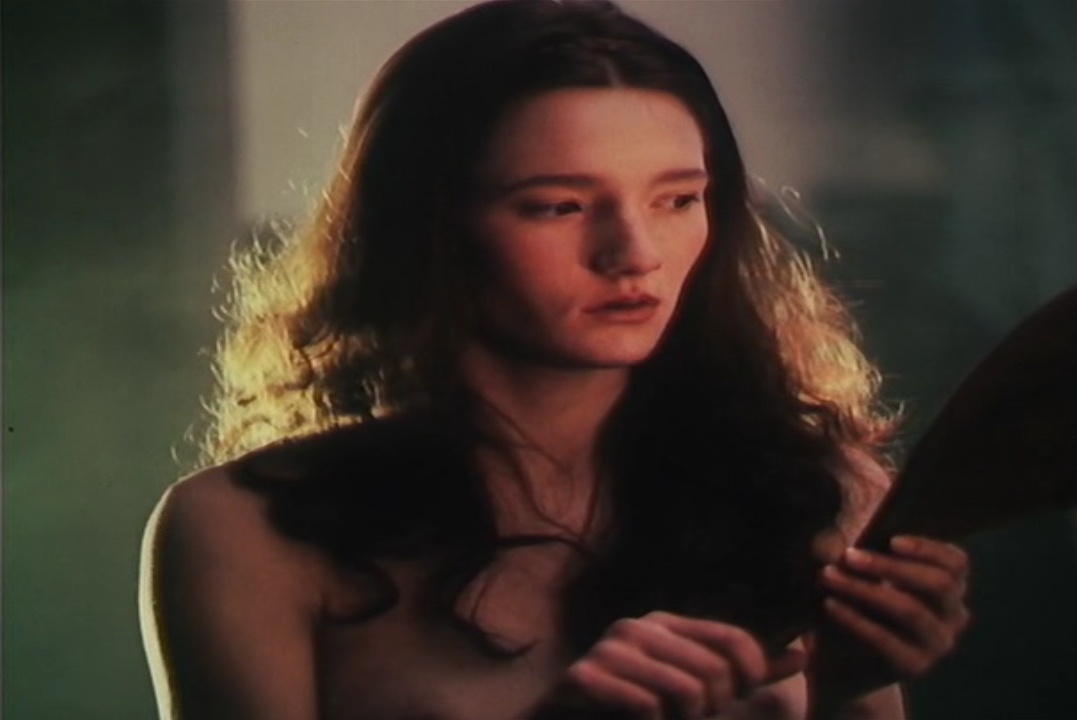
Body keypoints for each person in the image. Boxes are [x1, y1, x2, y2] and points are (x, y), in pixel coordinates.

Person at [139, 1, 971, 718]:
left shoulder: (819, 495)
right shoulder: (248, 533)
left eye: (678, 199)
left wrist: (846, 686)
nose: (634, 253)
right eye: (558, 206)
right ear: (429, 227)